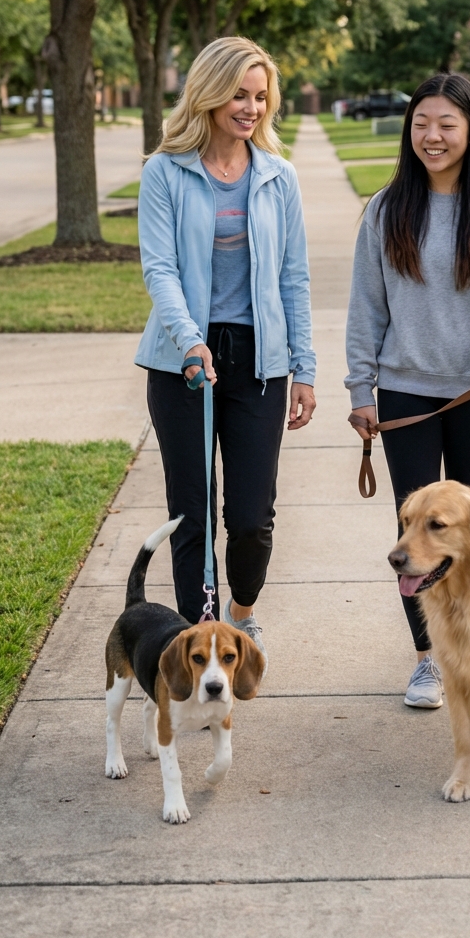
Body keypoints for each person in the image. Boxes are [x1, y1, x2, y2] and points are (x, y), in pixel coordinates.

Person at [345, 72, 470, 708]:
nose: (432, 136)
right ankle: (431, 659)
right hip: (404, 394)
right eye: (421, 123)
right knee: (418, 537)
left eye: (446, 125)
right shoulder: (386, 209)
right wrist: (361, 388)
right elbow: (365, 309)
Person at [135, 36, 316, 668]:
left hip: (259, 362)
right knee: (191, 512)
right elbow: (159, 269)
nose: (251, 107)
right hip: (182, 360)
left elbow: (294, 278)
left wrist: (305, 370)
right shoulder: (165, 171)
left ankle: (240, 614)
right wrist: (189, 340)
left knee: (249, 517)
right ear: (209, 94)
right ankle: (197, 643)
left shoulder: (278, 177)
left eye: (261, 96)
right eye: (239, 94)